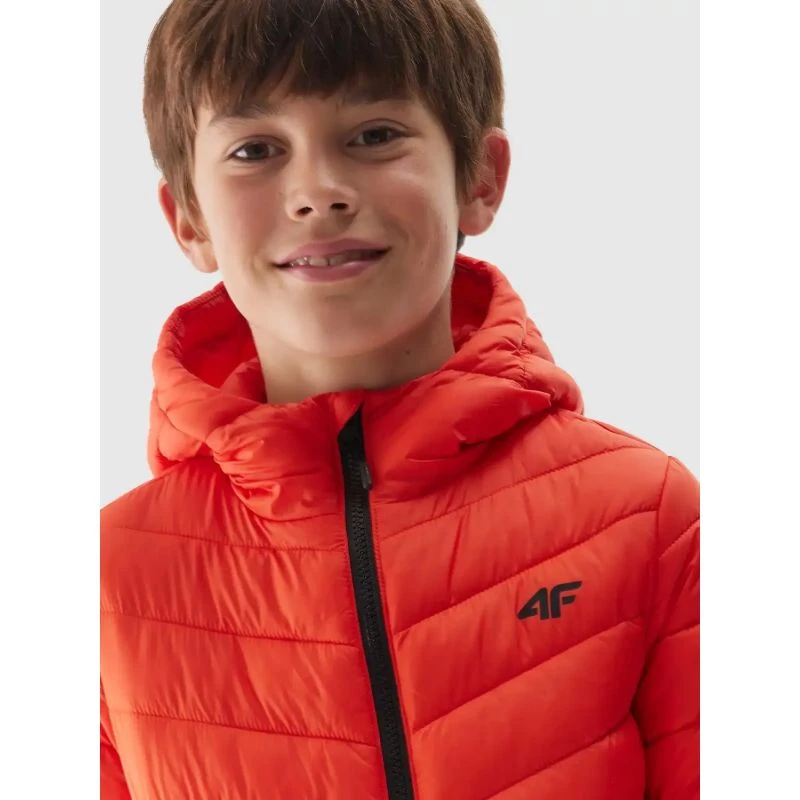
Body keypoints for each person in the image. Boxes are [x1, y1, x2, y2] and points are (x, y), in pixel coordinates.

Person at [100, 0, 700, 798]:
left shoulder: (646, 518)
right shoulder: (106, 580)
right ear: (189, 221)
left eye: (375, 135)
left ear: (480, 178)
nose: (318, 191)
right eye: (255, 150)